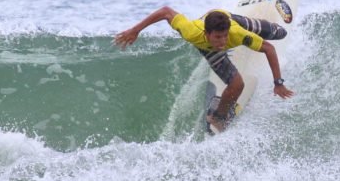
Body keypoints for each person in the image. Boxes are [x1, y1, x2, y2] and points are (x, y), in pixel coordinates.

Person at [114, 7, 294, 132]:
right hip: (208, 49)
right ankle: (218, 116)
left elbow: (268, 49)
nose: (222, 41)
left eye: (224, 36)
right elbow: (166, 12)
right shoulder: (191, 32)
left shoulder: (236, 33)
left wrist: (278, 83)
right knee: (237, 84)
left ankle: (266, 23)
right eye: (217, 37)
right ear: (207, 34)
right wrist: (135, 29)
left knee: (279, 33)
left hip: (230, 19)